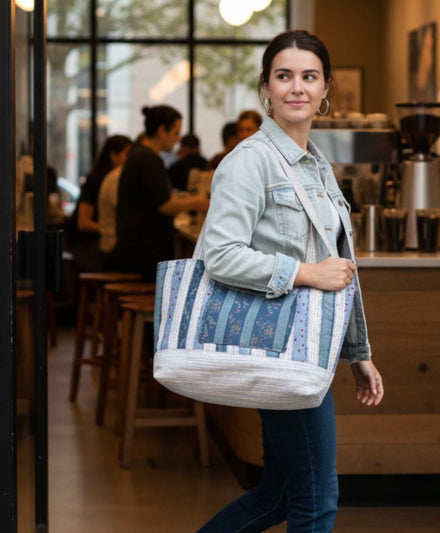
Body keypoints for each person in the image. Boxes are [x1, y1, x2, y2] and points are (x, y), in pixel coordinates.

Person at [198, 30, 384, 532]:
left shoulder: (317, 166)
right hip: (280, 349)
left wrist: (357, 351)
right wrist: (304, 273)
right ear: (266, 88)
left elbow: (339, 265)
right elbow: (219, 254)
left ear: (326, 90)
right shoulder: (249, 161)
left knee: (278, 494)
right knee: (316, 500)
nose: (296, 87)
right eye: (284, 76)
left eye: (309, 76)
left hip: (307, 350)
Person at [113, 105, 209, 281]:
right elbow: (165, 205)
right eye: (176, 133)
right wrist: (199, 201)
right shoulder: (147, 159)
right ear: (162, 131)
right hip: (142, 254)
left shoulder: (140, 155)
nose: (178, 139)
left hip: (132, 249)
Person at [69, 135, 133, 272]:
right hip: (89, 246)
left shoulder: (117, 180)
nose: (130, 160)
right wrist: (113, 229)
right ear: (113, 155)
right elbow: (83, 223)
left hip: (99, 244)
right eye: (127, 154)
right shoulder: (97, 181)